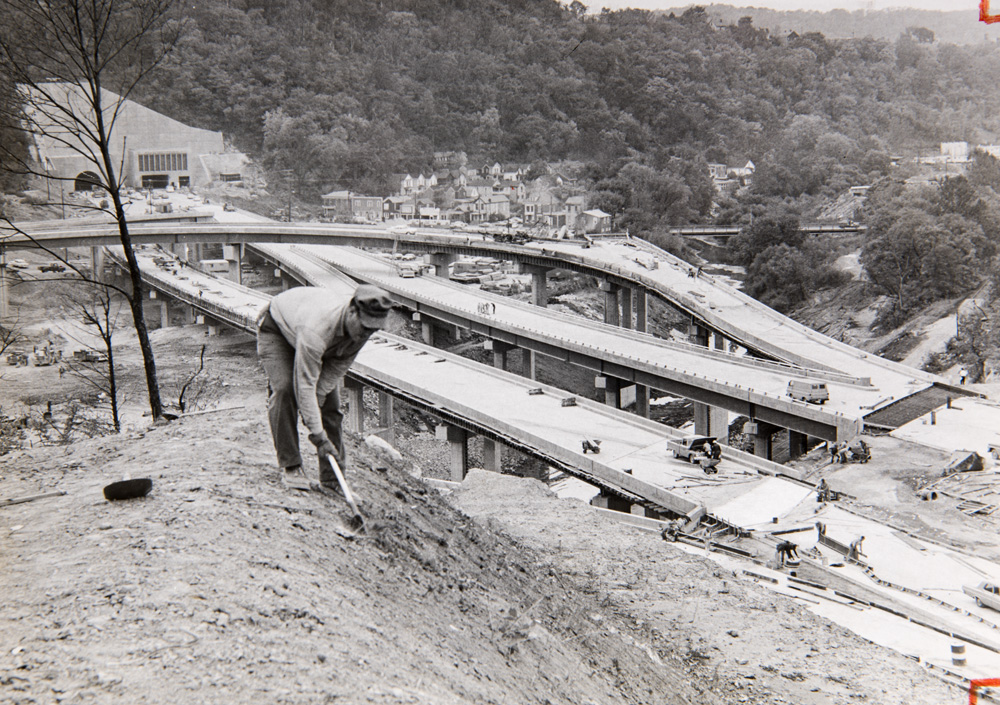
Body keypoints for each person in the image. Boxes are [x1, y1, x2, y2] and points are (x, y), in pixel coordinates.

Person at [256, 285, 393, 491]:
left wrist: (316, 413)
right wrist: (318, 436)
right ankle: (291, 465)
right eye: (366, 327)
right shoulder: (316, 330)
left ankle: (333, 479)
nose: (368, 334)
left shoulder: (360, 332)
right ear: (352, 312)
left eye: (373, 329)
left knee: (331, 408)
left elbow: (330, 377)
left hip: (319, 338)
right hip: (277, 328)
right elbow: (305, 385)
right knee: (285, 390)